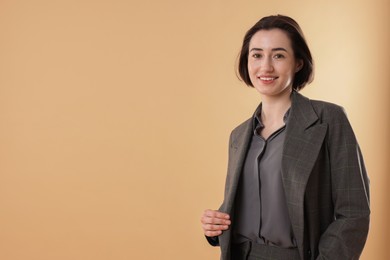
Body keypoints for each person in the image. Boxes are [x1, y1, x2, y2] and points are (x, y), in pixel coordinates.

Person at [200, 15, 370, 260]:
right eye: (256, 55)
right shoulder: (239, 136)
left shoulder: (328, 120)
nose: (265, 67)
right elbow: (253, 205)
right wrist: (215, 226)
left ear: (298, 62)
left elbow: (354, 213)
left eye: (278, 55)